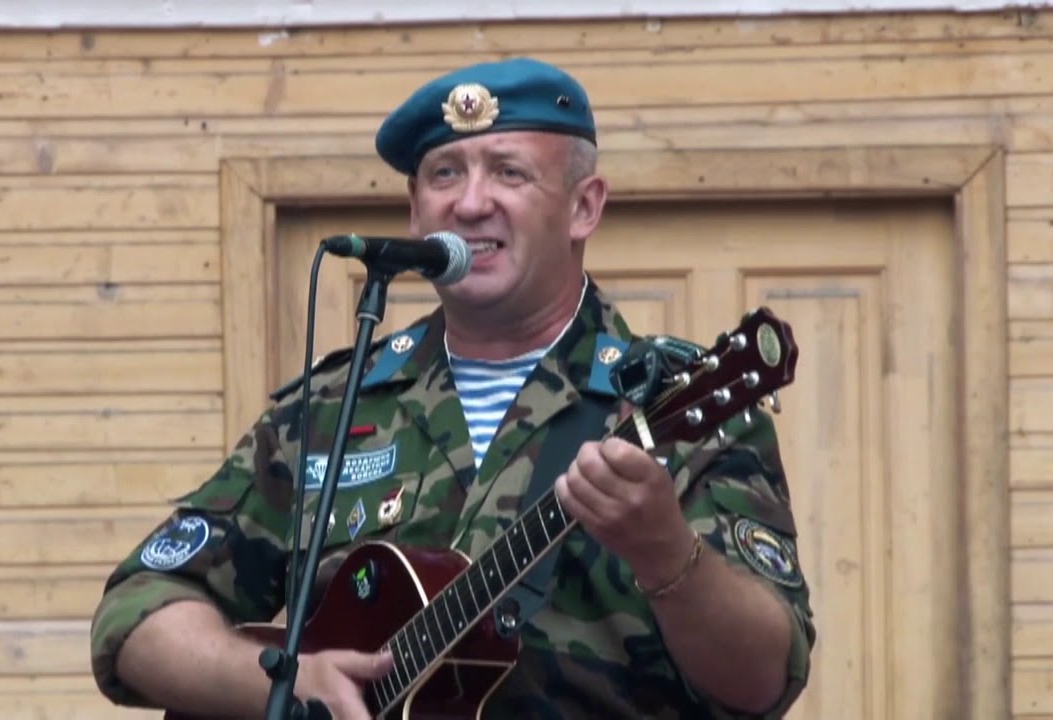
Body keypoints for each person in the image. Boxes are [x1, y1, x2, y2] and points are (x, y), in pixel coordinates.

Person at [90, 57, 816, 719]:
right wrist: (286, 686)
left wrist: (664, 551)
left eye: (509, 173)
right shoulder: (327, 412)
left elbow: (764, 680)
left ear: (584, 207)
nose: (470, 204)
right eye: (445, 175)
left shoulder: (675, 404)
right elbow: (137, 611)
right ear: (415, 210)